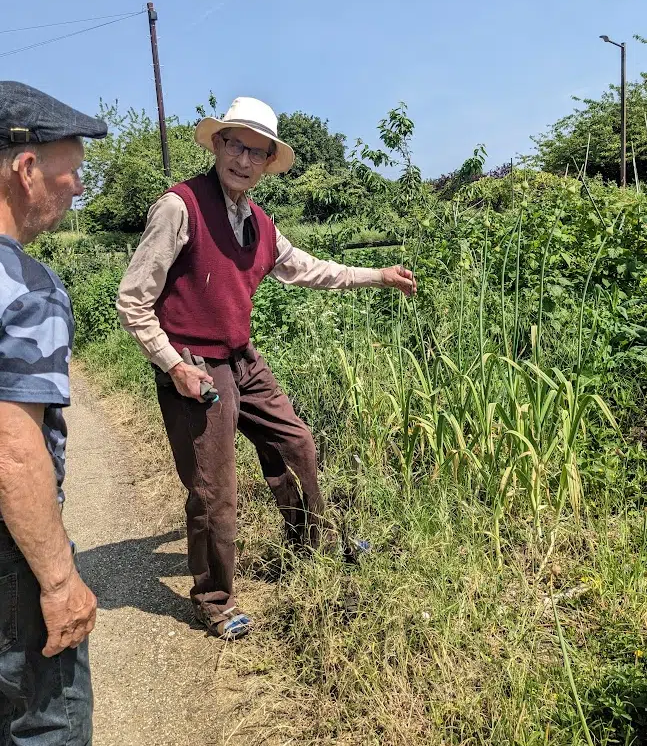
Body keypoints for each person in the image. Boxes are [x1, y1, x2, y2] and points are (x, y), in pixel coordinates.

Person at [116, 96, 416, 641]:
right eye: (235, 144)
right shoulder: (179, 207)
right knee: (215, 490)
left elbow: (309, 270)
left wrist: (378, 274)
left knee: (296, 441)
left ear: (267, 163)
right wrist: (173, 367)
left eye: (258, 152)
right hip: (194, 365)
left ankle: (309, 540)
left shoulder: (260, 223)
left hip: (241, 358)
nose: (244, 160)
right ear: (217, 145)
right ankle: (213, 599)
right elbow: (133, 300)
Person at [0, 81, 107, 743]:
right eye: (71, 171)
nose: (76, 190)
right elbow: (12, 447)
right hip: (9, 561)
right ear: (27, 166)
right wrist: (60, 579)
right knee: (47, 720)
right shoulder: (28, 291)